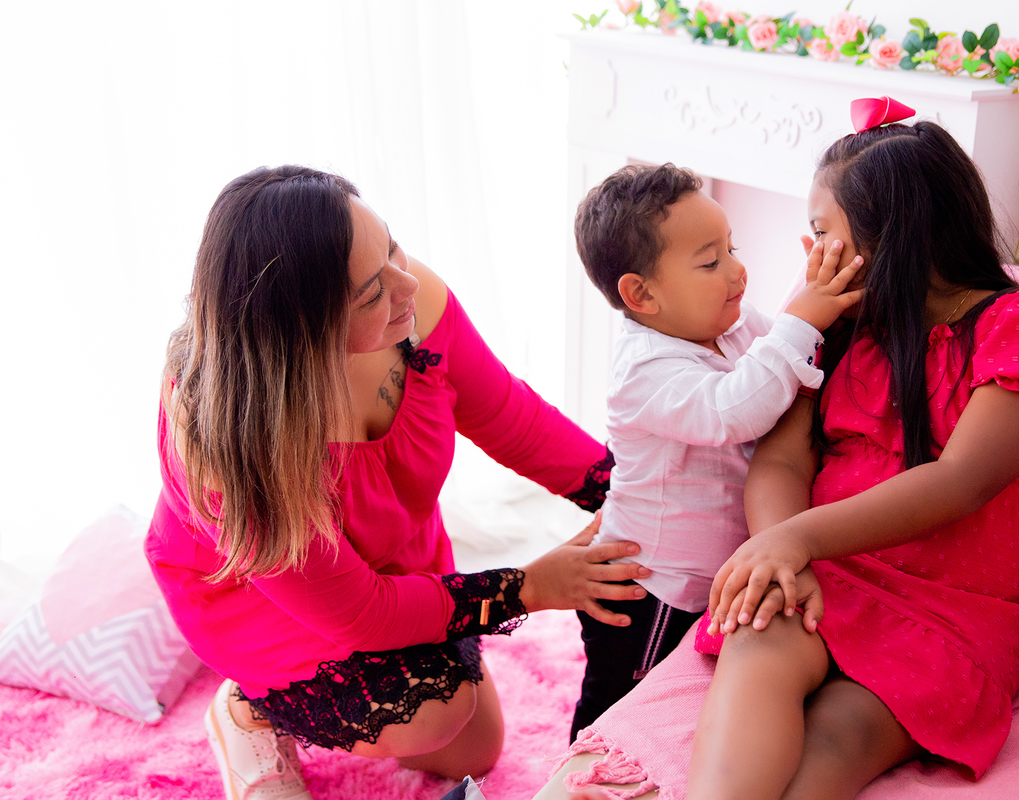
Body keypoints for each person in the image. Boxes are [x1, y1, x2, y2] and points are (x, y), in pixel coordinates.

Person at [538, 108, 1019, 800]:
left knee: (843, 732)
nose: (811, 247)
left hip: (951, 613)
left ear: (893, 232)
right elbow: (781, 461)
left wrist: (795, 538)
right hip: (827, 576)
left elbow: (962, 481)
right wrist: (779, 553)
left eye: (825, 230)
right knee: (755, 640)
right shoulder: (839, 331)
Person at [144, 166, 650, 800]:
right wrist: (531, 587)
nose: (408, 285)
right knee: (434, 714)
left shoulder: (412, 301)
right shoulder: (231, 445)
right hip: (264, 597)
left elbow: (509, 417)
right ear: (300, 336)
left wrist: (640, 494)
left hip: (394, 554)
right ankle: (250, 709)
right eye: (369, 294)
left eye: (392, 248)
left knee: (474, 744)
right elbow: (362, 614)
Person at [567, 164, 863, 740]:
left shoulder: (731, 325)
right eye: (710, 262)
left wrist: (813, 307)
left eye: (732, 247)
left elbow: (781, 367)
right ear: (641, 294)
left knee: (687, 713)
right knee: (620, 711)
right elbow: (736, 408)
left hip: (709, 581)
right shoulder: (643, 370)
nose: (736, 270)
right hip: (652, 590)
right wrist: (803, 318)